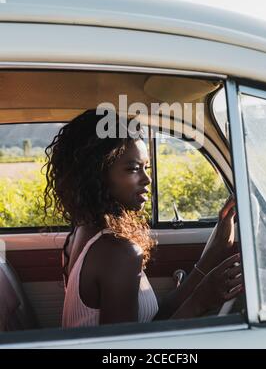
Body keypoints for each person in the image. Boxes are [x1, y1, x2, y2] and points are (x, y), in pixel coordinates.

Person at [43, 109, 242, 328]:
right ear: (96, 175)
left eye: (146, 167)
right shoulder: (117, 252)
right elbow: (126, 350)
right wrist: (200, 301)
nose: (147, 179)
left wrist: (214, 252)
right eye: (133, 169)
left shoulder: (83, 232)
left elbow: (152, 319)